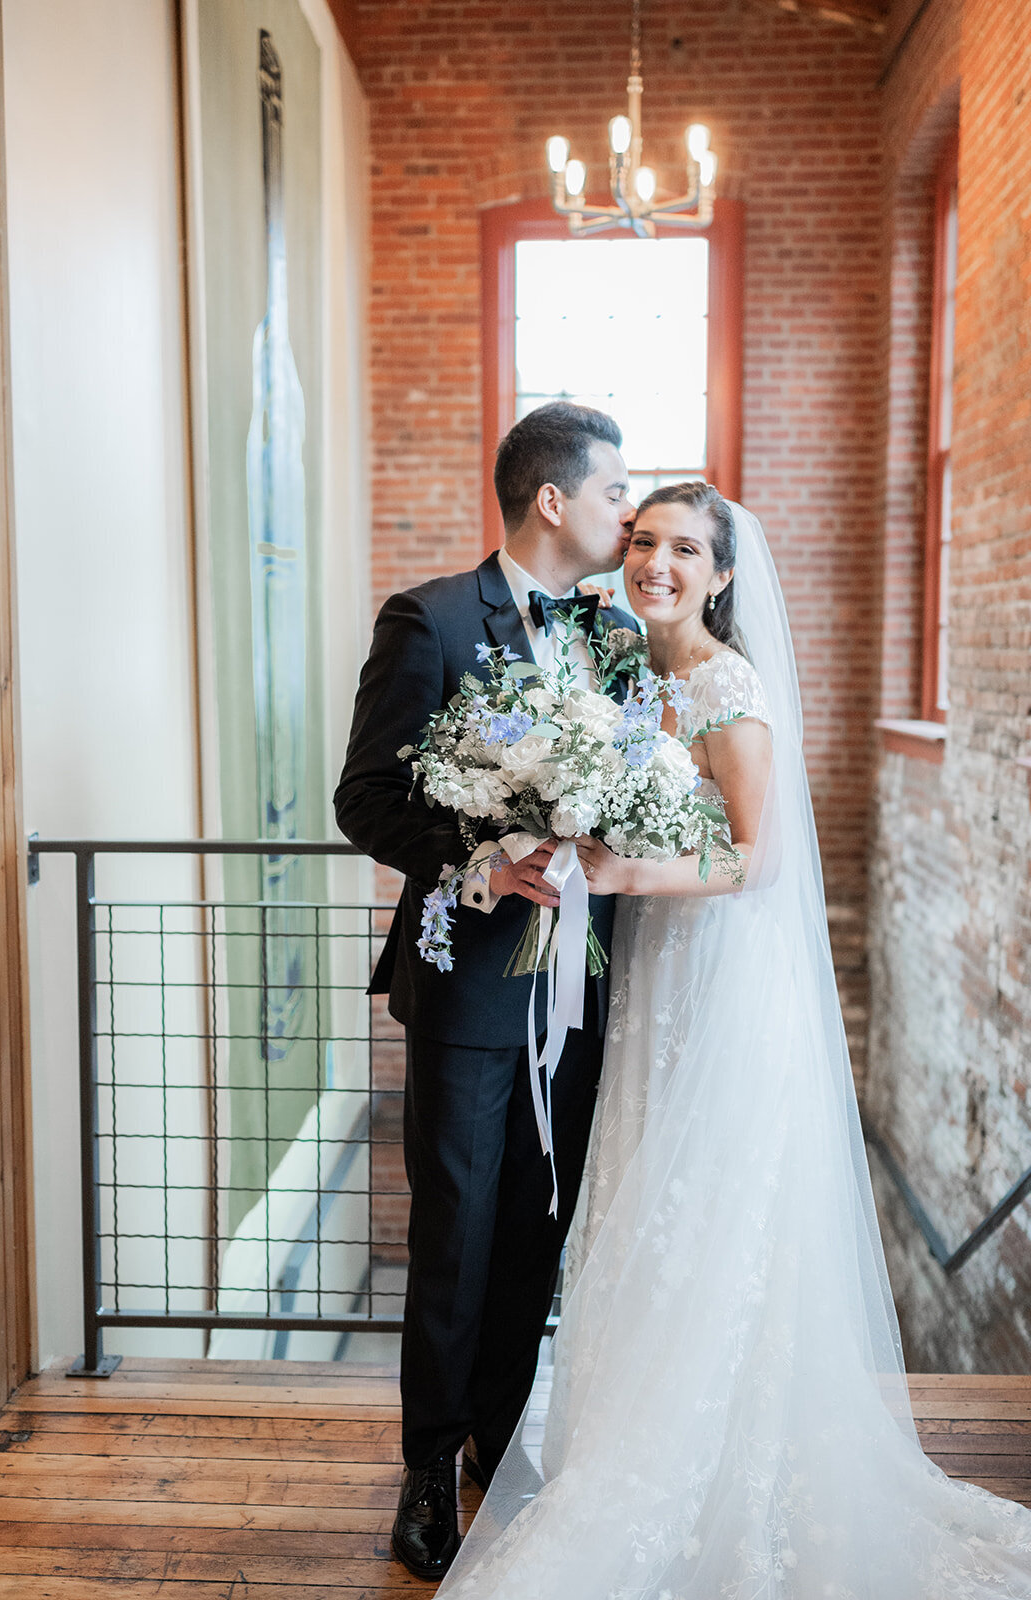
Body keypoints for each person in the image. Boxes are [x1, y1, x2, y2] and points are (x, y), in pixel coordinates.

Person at [436, 482, 1031, 1598]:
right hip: (651, 980)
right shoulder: (624, 676)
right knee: (641, 1193)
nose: (655, 562)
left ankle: (723, 1465)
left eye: (683, 549)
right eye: (642, 542)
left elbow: (756, 859)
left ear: (722, 575)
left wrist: (623, 870)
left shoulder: (728, 685)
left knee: (714, 1210)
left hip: (722, 981)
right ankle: (637, 1435)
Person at [333, 401, 636, 1581]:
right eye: (617, 492)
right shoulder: (432, 620)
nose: (628, 510)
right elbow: (366, 797)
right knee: (455, 1235)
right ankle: (423, 1473)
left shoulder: (614, 641)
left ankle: (498, 1446)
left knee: (535, 1230)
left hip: (580, 988)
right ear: (553, 501)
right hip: (467, 992)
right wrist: (479, 861)